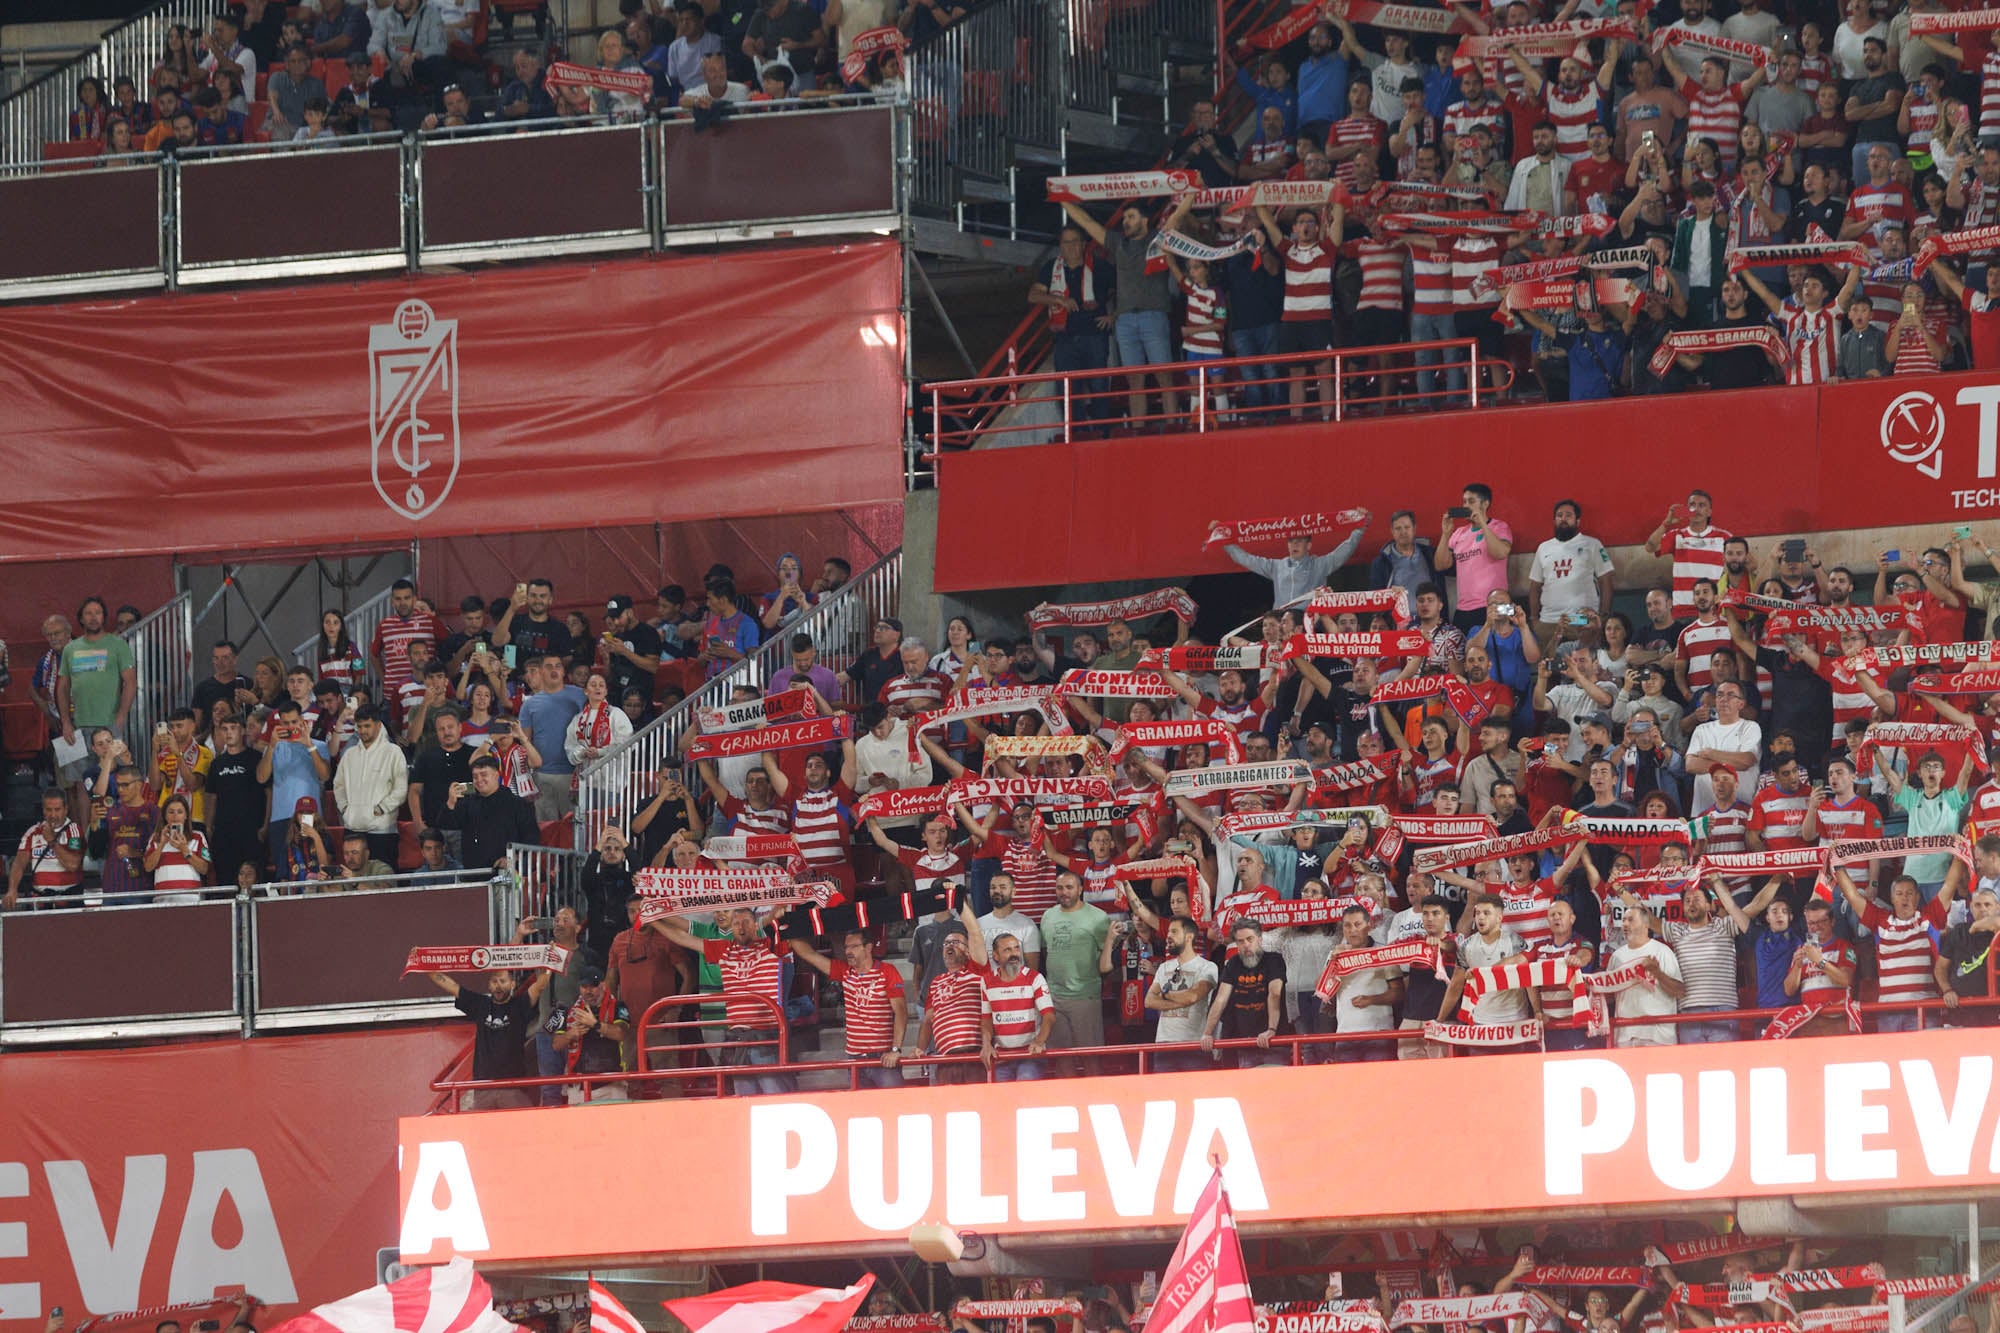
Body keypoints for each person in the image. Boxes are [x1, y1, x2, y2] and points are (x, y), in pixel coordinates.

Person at [649, 907, 796, 1094]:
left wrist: (782, 908)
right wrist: (652, 921)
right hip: (736, 1037)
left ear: (756, 925)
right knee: (743, 1097)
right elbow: (682, 938)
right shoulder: (724, 949)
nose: (741, 928)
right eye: (736, 923)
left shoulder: (771, 947)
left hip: (766, 1035)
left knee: (775, 1094)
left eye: (746, 923)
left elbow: (797, 938)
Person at [426, 926, 551, 1110]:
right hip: (482, 1088)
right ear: (489, 985)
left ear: (512, 984)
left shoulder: (520, 1004)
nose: (498, 986)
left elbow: (540, 986)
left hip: (513, 1087)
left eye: (503, 981)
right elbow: (451, 986)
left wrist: (550, 961)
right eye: (494, 981)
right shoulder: (480, 1005)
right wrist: (425, 964)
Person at [786, 929, 909, 1087]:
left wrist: (895, 1050)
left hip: (883, 1058)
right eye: (846, 947)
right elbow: (809, 954)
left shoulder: (887, 971)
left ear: (869, 948)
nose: (848, 952)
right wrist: (786, 929)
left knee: (894, 1106)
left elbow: (901, 1012)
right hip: (855, 1060)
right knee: (862, 1111)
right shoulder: (844, 971)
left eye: (854, 947)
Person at [1040, 870, 1112, 1064]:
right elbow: (1046, 951)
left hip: (1084, 997)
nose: (1064, 892)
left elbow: (1108, 958)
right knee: (1062, 1061)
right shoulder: (1048, 915)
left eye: (1069, 887)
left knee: (1091, 1061)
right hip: (1054, 998)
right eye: (1060, 888)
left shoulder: (1098, 917)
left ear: (1081, 889)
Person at [1222, 517, 1371, 610]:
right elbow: (1246, 559)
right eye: (1291, 541)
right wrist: (1224, 540)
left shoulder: (1319, 564)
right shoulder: (1276, 566)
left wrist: (1359, 530)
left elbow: (1343, 552)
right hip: (1281, 625)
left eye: (1299, 541)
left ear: (1309, 546)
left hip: (1308, 625)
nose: (1295, 545)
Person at [1202, 918, 1287, 1066]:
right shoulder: (1233, 963)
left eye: (1250, 939)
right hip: (1245, 1044)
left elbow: (1275, 993)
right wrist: (1207, 1033)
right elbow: (1221, 999)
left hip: (1274, 1043)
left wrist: (1271, 1029)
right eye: (1240, 941)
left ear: (1259, 939)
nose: (1246, 945)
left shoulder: (1274, 959)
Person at [434, 753, 540, 871]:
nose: (479, 780)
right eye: (475, 776)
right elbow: (445, 824)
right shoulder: (467, 803)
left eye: (484, 775)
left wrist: (513, 857)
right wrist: (451, 802)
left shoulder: (516, 803)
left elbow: (532, 837)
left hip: (506, 872)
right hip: (474, 874)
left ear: (496, 775)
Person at [332, 703, 406, 871]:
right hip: (352, 828)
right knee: (352, 883)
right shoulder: (349, 754)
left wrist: (381, 808)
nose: (363, 730)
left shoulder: (393, 752)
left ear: (378, 725)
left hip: (382, 831)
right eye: (359, 726)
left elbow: (401, 789)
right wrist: (345, 808)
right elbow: (338, 785)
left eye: (367, 726)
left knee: (383, 883)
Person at [56, 597, 135, 749]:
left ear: (104, 617)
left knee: (112, 771)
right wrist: (65, 722)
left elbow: (130, 682)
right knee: (80, 773)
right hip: (78, 725)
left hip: (110, 724)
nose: (93, 618)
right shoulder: (70, 648)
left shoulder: (118, 645)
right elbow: (63, 687)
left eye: (98, 613)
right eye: (88, 613)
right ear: (81, 618)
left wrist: (121, 716)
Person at [977, 929, 1055, 1080]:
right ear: (995, 956)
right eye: (1007, 950)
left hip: (1031, 1055)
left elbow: (1049, 1015)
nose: (1014, 954)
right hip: (1002, 1057)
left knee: (1024, 1080)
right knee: (999, 1092)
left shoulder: (1035, 978)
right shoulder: (986, 981)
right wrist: (986, 1044)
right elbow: (986, 1020)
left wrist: (1039, 1041)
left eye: (1016, 948)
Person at [5, 789, 85, 910]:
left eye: (57, 810)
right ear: (43, 810)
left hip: (69, 902)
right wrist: (12, 890)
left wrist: (51, 840)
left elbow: (73, 864)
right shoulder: (33, 832)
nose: (53, 815)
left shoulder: (74, 830)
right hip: (41, 901)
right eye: (49, 810)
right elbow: (19, 863)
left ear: (66, 810)